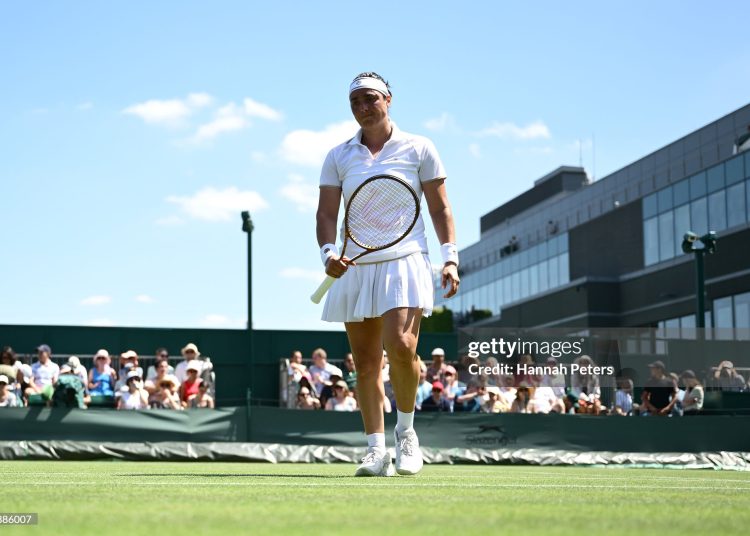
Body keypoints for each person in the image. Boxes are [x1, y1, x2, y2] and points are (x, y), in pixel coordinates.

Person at [316, 72, 459, 477]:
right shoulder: (338, 155)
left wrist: (450, 257)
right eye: (355, 101)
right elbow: (326, 214)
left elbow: (440, 208)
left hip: (406, 259)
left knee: (400, 347)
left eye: (370, 99)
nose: (363, 107)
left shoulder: (420, 147)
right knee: (363, 362)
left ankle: (407, 434)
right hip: (355, 264)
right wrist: (329, 252)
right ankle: (376, 451)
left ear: (389, 100)